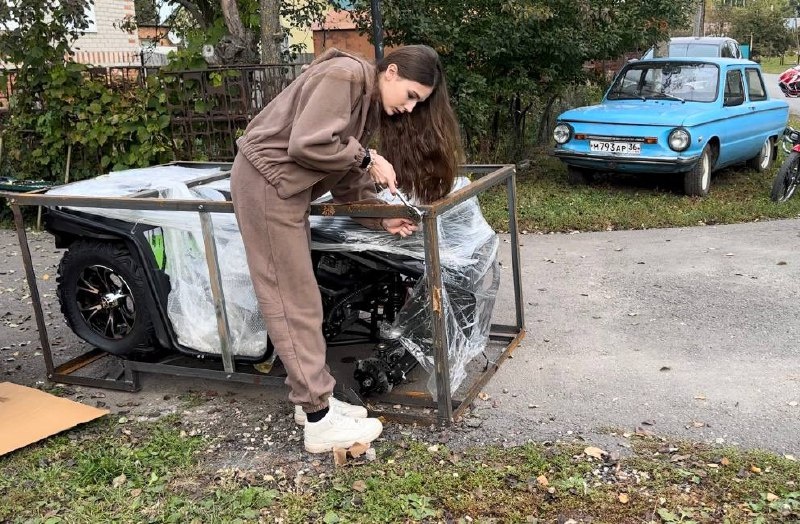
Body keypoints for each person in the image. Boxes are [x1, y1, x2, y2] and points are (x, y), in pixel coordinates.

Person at [230, 45, 462, 453]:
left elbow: (342, 173)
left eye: (418, 103)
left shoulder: (365, 101)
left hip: (282, 189)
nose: (410, 108)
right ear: (391, 72)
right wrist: (368, 157)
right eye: (411, 95)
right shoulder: (346, 75)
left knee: (301, 300)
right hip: (267, 186)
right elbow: (308, 143)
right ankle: (318, 419)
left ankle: (310, 401)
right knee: (292, 300)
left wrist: (381, 217)